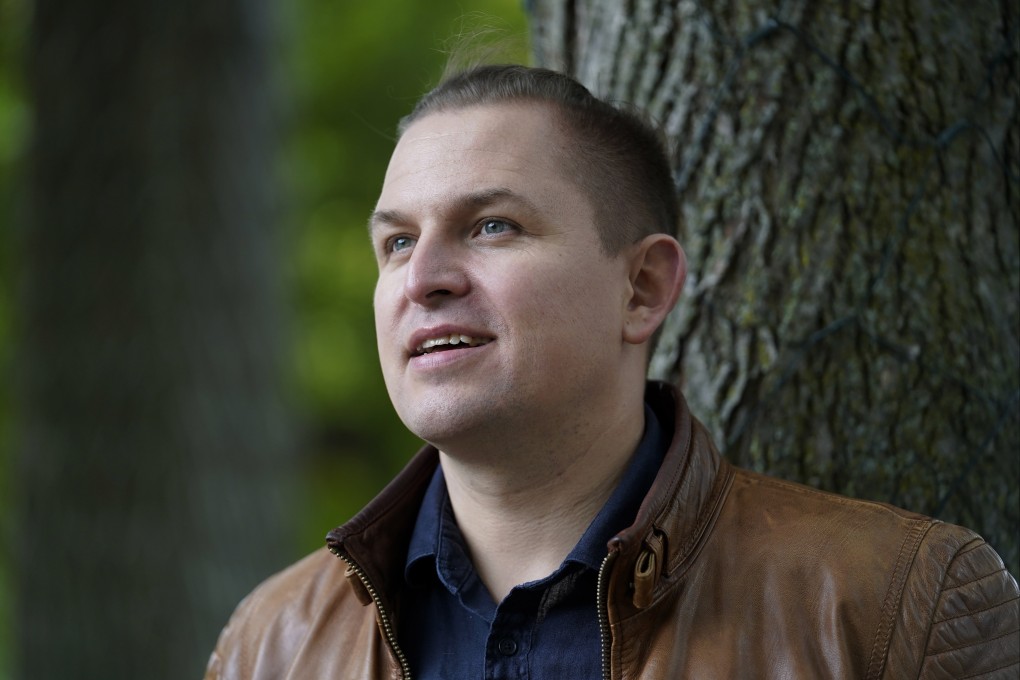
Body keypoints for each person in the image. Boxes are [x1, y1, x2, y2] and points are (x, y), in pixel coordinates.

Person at [205, 65, 1019, 679]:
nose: (424, 279)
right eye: (398, 242)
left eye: (491, 225)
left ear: (642, 289)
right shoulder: (273, 642)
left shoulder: (892, 608)